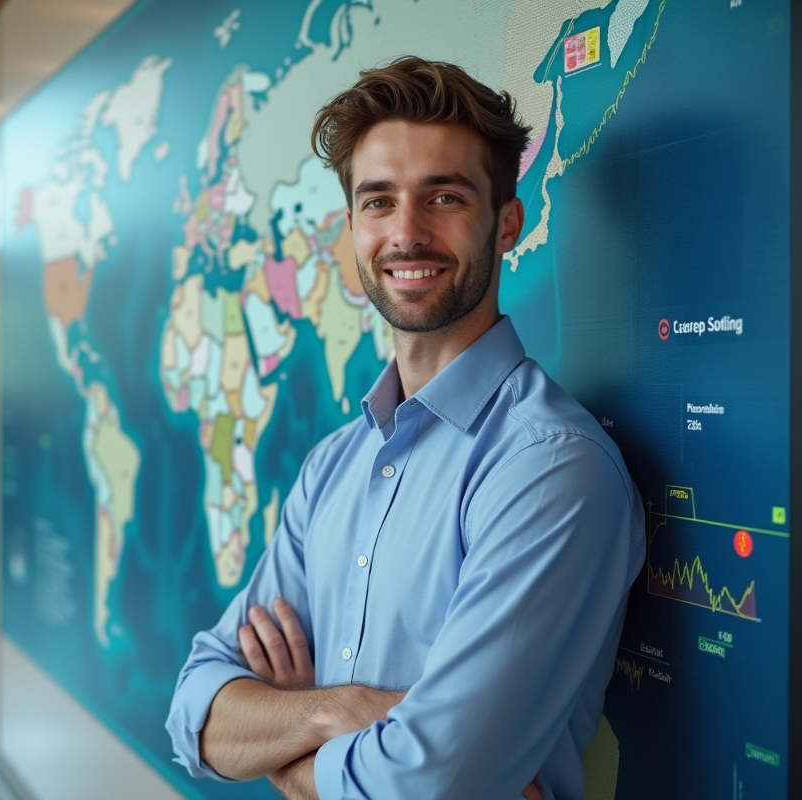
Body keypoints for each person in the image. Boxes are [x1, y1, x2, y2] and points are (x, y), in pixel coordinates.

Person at [166, 56, 644, 800]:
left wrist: (285, 754)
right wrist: (344, 710)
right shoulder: (333, 466)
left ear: (507, 222)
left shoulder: (551, 468)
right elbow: (196, 712)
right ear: (353, 227)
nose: (407, 233)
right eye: (379, 201)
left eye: (444, 197)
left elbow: (430, 782)